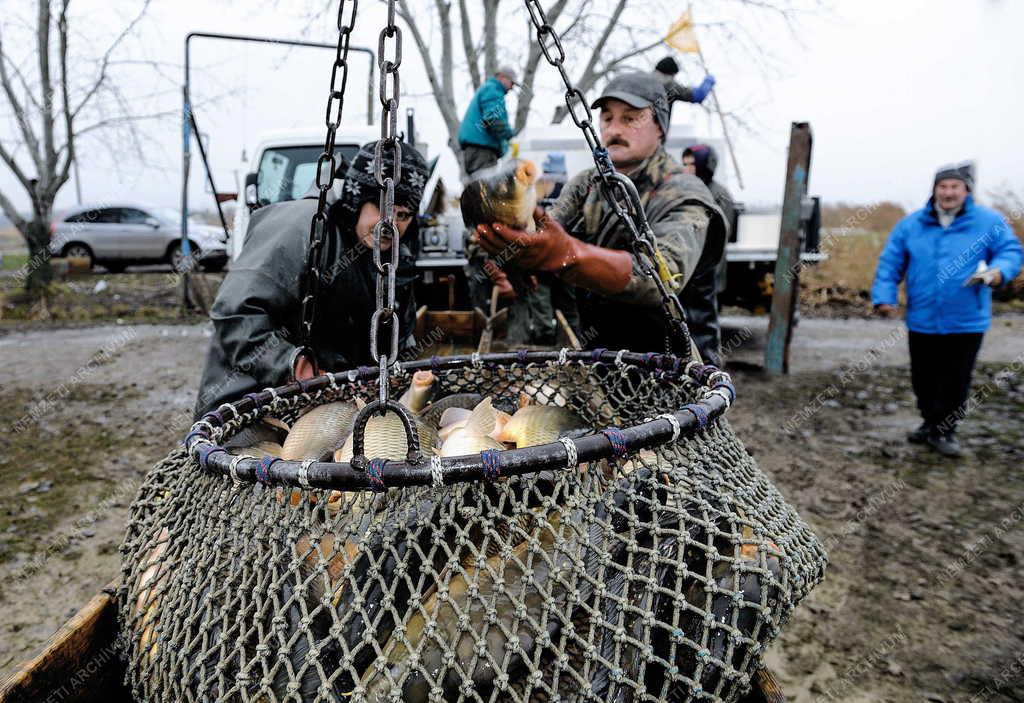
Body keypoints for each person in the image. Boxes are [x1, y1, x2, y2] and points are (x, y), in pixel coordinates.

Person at [473, 72, 726, 354]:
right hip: (603, 359)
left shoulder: (684, 192)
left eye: (630, 118)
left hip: (678, 368)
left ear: (660, 127)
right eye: (607, 119)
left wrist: (565, 255)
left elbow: (662, 278)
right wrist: (518, 247)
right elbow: (547, 229)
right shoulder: (587, 184)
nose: (615, 129)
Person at [193, 141, 430, 417]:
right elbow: (236, 313)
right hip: (248, 401)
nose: (391, 224)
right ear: (357, 199)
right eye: (382, 210)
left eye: (403, 215)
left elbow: (399, 332)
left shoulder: (391, 254)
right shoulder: (300, 227)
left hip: (328, 406)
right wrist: (298, 369)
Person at [871, 162, 1021, 457]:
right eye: (943, 186)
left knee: (956, 378)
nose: (949, 192)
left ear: (967, 191)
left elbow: (1010, 251)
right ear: (935, 190)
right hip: (922, 318)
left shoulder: (989, 222)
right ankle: (929, 422)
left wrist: (998, 271)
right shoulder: (911, 224)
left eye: (955, 187)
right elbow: (890, 263)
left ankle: (946, 431)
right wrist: (884, 296)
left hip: (967, 320)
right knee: (923, 378)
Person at [679, 143, 735, 364]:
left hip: (705, 273)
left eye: (692, 164)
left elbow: (719, 237)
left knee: (704, 329)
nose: (687, 169)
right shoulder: (688, 190)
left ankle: (710, 376)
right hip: (690, 270)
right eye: (684, 164)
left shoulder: (717, 195)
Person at [458, 66, 518, 176]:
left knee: (478, 188)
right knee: (485, 188)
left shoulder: (488, 89)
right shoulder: (493, 89)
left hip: (476, 150)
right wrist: (511, 136)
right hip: (482, 151)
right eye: (512, 83)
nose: (512, 88)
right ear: (501, 77)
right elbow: (493, 120)